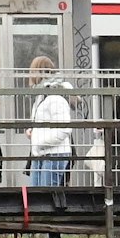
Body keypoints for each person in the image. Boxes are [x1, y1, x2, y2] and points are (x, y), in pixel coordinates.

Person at [27, 56, 74, 187]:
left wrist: (40, 141)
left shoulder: (54, 96)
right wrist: (33, 132)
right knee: (38, 193)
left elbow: (65, 128)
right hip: (41, 153)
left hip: (54, 153)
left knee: (46, 194)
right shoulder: (41, 96)